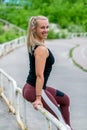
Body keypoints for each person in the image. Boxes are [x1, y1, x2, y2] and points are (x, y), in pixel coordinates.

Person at [22, 15, 73, 130]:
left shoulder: (34, 43)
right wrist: (38, 98)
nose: (46, 30)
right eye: (42, 28)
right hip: (34, 89)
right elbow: (39, 76)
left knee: (65, 100)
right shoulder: (41, 49)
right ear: (34, 29)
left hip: (31, 87)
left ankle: (69, 128)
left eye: (47, 27)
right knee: (60, 121)